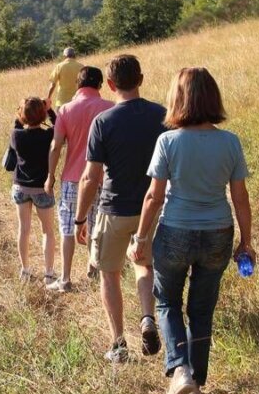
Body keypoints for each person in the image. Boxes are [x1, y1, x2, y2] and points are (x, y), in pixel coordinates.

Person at [130, 67, 253, 394]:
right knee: (202, 309)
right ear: (213, 97)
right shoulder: (230, 142)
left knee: (167, 302)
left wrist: (141, 238)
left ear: (178, 99)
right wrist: (246, 242)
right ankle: (196, 380)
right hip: (218, 232)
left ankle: (180, 370)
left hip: (175, 231)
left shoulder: (168, 141)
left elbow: (154, 197)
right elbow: (240, 197)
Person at [75, 55, 166, 363]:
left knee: (109, 273)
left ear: (111, 85)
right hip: (151, 207)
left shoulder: (103, 122)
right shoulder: (161, 116)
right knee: (145, 264)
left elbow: (91, 177)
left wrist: (80, 219)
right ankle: (148, 317)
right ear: (141, 79)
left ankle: (118, 343)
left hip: (113, 208)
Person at [44, 66, 113, 293]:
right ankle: (93, 271)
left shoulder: (66, 109)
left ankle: (65, 278)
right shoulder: (110, 108)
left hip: (72, 178)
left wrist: (50, 176)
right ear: (100, 85)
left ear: (77, 84)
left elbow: (56, 146)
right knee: (95, 227)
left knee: (67, 228)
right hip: (101, 179)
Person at [9, 98, 57, 282]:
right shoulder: (48, 136)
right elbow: (58, 125)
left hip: (21, 187)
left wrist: (22, 111)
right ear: (42, 115)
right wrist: (49, 110)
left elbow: (17, 123)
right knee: (48, 231)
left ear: (22, 115)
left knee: (24, 229)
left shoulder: (16, 135)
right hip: (42, 188)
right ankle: (49, 273)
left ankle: (25, 270)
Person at [46, 47, 84, 112]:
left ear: (64, 56)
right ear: (74, 55)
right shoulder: (81, 66)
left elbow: (52, 85)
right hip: (77, 100)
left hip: (62, 101)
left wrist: (48, 98)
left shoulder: (59, 66)